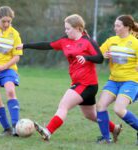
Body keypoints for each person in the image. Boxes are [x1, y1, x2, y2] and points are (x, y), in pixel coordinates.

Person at [17, 14, 122, 141]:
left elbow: (99, 58)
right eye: (65, 29)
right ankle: (115, 128)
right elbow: (47, 45)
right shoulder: (65, 41)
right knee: (90, 114)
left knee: (63, 106)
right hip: (80, 82)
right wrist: (26, 45)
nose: (65, 31)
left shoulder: (88, 42)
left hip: (86, 84)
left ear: (78, 28)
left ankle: (48, 131)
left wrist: (87, 58)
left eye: (68, 29)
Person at [96, 15, 138, 144]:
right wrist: (102, 55)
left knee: (119, 109)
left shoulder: (135, 43)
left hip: (131, 81)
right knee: (100, 106)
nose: (115, 28)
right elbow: (96, 54)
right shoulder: (111, 41)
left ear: (127, 27)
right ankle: (106, 138)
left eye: (118, 25)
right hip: (113, 80)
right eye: (115, 25)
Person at [0, 6, 23, 136]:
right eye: (4, 21)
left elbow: (16, 57)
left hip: (8, 69)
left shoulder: (14, 34)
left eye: (9, 21)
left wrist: (4, 66)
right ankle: (7, 129)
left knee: (10, 90)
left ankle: (16, 127)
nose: (6, 24)